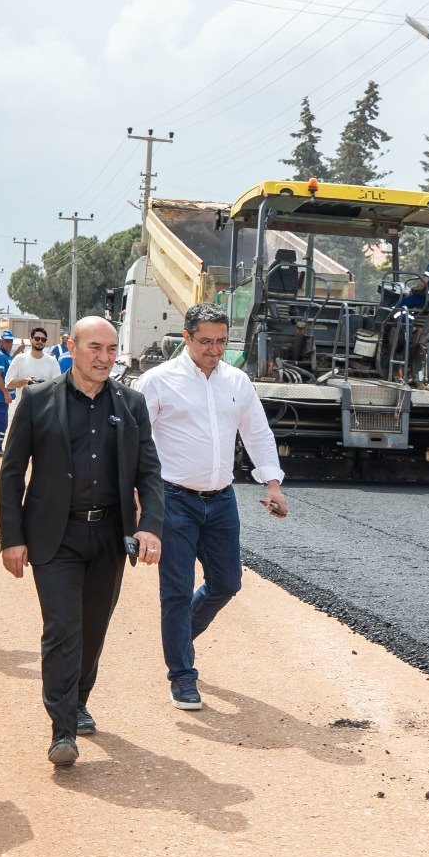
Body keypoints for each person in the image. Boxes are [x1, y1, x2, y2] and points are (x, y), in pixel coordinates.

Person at [0, 316, 164, 767]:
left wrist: (150, 525)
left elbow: (149, 471)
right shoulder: (37, 400)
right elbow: (11, 473)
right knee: (62, 628)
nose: (104, 358)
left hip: (110, 535)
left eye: (111, 350)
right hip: (55, 536)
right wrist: (12, 537)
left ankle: (79, 699)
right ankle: (62, 728)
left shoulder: (131, 404)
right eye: (95, 348)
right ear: (70, 346)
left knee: (93, 628)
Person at [137, 303, 287, 710]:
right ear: (186, 337)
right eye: (205, 341)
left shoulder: (237, 381)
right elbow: (136, 441)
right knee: (176, 590)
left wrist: (273, 483)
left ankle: (179, 637)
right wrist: (138, 497)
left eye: (221, 341)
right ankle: (182, 676)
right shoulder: (157, 381)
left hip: (221, 501)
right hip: (174, 500)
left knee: (227, 583)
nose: (214, 350)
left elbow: (258, 434)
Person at [4, 326, 61, 407]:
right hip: (22, 409)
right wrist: (26, 381)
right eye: (37, 338)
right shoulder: (19, 359)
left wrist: (43, 384)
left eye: (43, 339)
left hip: (44, 409)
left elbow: (58, 385)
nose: (40, 341)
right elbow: (8, 383)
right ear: (31, 340)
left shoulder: (52, 361)